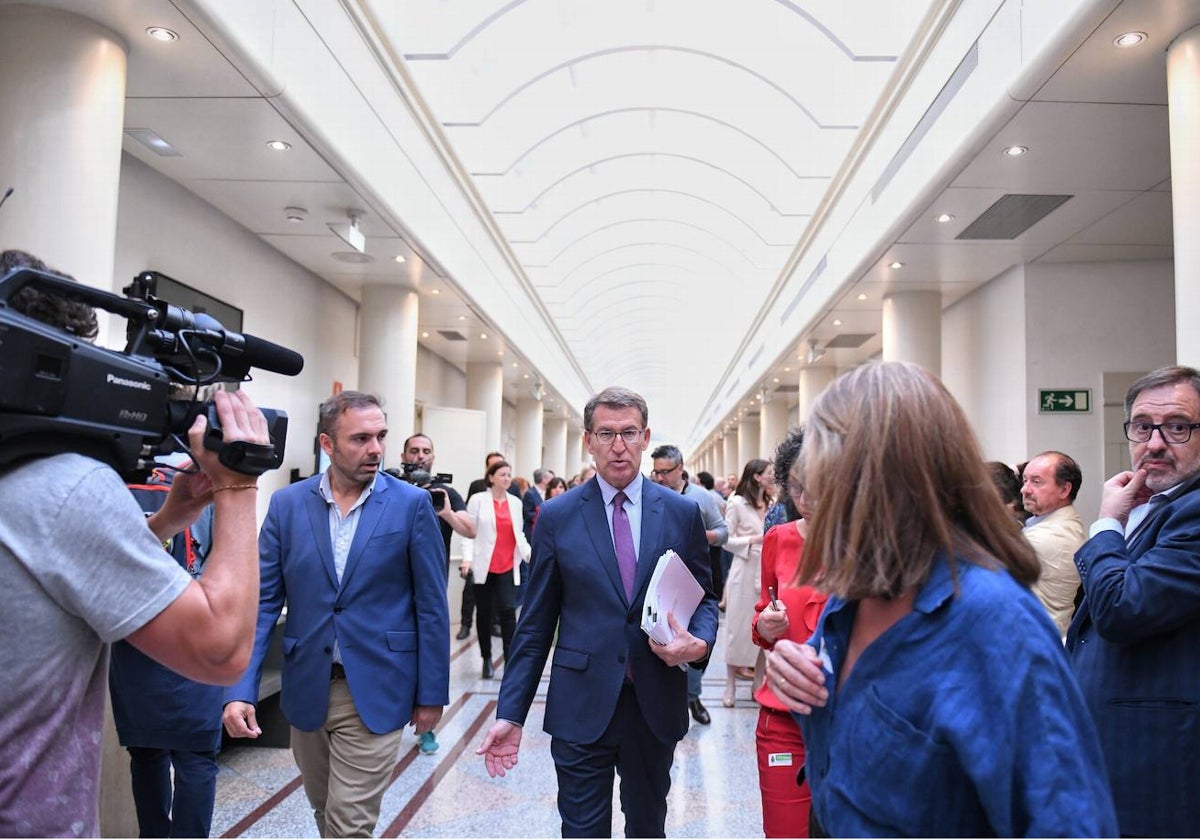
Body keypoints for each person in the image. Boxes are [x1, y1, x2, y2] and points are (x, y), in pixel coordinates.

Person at [765, 361, 1117, 836]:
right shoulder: (855, 592)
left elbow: (1066, 821)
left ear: (886, 485)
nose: (812, 508)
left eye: (827, 486)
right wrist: (800, 668)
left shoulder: (995, 623)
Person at [0, 249, 268, 838]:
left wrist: (165, 522)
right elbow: (220, 648)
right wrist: (239, 482)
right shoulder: (67, 487)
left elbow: (50, 576)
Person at [476, 386, 718, 838]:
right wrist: (510, 714)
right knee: (582, 830)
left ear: (646, 437)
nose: (618, 445)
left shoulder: (681, 514)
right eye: (606, 433)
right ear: (588, 440)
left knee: (648, 826)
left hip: (653, 702)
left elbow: (703, 596)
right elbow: (534, 626)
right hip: (580, 703)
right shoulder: (557, 515)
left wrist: (699, 642)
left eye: (628, 433)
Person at [221, 391, 450, 838]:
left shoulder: (410, 505)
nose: (376, 449)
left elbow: (431, 606)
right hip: (306, 686)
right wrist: (239, 687)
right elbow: (262, 603)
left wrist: (431, 694)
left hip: (377, 688)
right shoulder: (288, 505)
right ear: (328, 444)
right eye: (361, 438)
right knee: (325, 814)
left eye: (381, 436)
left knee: (349, 826)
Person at [1067, 365, 1200, 836]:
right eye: (1143, 426)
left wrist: (1106, 524)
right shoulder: (1151, 505)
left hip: (1158, 761)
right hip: (1115, 750)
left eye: (1178, 427)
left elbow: (1122, 607)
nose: (1156, 443)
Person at [108, 466, 223, 839]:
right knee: (193, 757)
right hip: (195, 632)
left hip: (134, 635)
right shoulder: (213, 478)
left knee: (148, 753)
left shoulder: (116, 476)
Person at [751, 431, 827, 839]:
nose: (807, 496)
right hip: (783, 718)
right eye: (797, 486)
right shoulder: (778, 540)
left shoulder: (869, 547)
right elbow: (763, 616)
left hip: (850, 717)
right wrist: (765, 626)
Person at [398, 433, 476, 754]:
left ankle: (426, 727)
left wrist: (444, 511)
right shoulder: (390, 486)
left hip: (430, 590)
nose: (420, 456)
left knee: (429, 658)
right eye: (414, 451)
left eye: (426, 451)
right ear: (404, 454)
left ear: (434, 456)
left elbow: (470, 529)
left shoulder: (447, 493)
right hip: (392, 589)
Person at [649, 444, 728, 726]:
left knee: (693, 639)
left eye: (665, 472)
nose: (659, 478)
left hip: (694, 580)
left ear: (680, 469)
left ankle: (693, 696)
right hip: (660, 582)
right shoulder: (650, 496)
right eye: (655, 472)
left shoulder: (701, 498)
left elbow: (723, 532)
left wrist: (699, 535)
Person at [461, 460, 531, 679]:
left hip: (508, 566)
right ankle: (486, 659)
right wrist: (466, 560)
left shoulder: (515, 503)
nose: (507, 478)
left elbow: (519, 534)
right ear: (491, 477)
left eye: (509, 474)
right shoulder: (478, 500)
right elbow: (468, 533)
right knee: (484, 614)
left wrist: (531, 555)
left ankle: (511, 661)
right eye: (502, 474)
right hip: (484, 566)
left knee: (508, 613)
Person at [721, 458, 774, 705]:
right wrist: (753, 539)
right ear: (756, 476)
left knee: (763, 631)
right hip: (744, 570)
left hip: (766, 571)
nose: (772, 476)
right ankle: (730, 686)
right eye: (769, 473)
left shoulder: (771, 504)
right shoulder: (737, 503)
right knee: (736, 630)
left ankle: (757, 683)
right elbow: (726, 539)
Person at [1020, 450, 1084, 637]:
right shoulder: (1059, 524)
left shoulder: (1048, 537)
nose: (1025, 489)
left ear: (1064, 490)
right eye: (1024, 480)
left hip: (1034, 645)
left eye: (1036, 481)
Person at [523, 467, 554, 543]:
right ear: (543, 479)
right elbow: (527, 513)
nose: (552, 481)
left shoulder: (546, 493)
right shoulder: (530, 494)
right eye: (550, 478)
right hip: (532, 532)